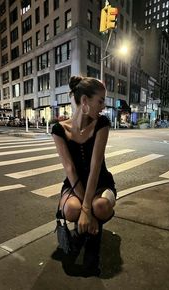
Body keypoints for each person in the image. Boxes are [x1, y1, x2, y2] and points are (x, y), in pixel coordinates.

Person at [52, 76, 116, 277]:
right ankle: (87, 229)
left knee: (100, 207)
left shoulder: (102, 124)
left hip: (101, 183)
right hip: (74, 185)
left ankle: (91, 244)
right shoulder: (59, 129)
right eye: (101, 100)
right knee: (72, 210)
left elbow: (96, 166)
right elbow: (70, 169)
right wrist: (84, 210)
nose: (103, 106)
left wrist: (88, 209)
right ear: (85, 102)